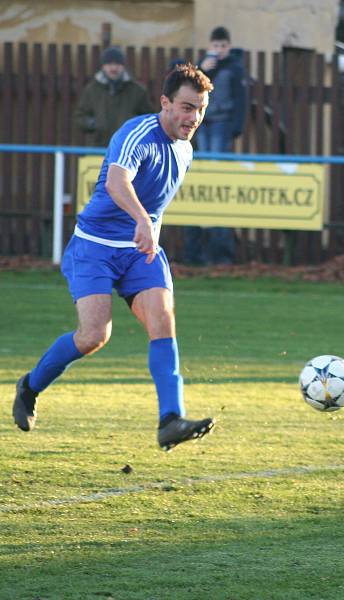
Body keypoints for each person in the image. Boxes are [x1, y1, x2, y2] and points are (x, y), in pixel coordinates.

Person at [13, 64, 216, 452]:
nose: (194, 118)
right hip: (95, 247)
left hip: (141, 251)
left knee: (163, 323)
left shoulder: (186, 150)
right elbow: (116, 181)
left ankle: (170, 419)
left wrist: (149, 229)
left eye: (201, 109)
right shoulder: (136, 132)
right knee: (94, 336)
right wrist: (142, 219)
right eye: (187, 107)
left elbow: (156, 199)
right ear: (165, 103)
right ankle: (30, 386)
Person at [183, 25, 247, 266]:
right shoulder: (203, 66)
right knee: (202, 171)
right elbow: (189, 92)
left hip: (222, 123)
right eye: (215, 46)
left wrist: (236, 127)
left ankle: (219, 245)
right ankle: (200, 247)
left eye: (223, 46)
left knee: (217, 169)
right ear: (210, 46)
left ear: (228, 47)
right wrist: (200, 71)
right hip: (203, 123)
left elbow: (241, 100)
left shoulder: (234, 67)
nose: (219, 50)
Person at [74, 46, 154, 147]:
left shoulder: (138, 91)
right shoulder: (92, 90)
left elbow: (149, 118)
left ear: (123, 66)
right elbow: (80, 117)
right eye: (109, 64)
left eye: (117, 64)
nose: (113, 68)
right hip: (99, 148)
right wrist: (94, 124)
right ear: (103, 66)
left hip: (129, 147)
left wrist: (134, 126)